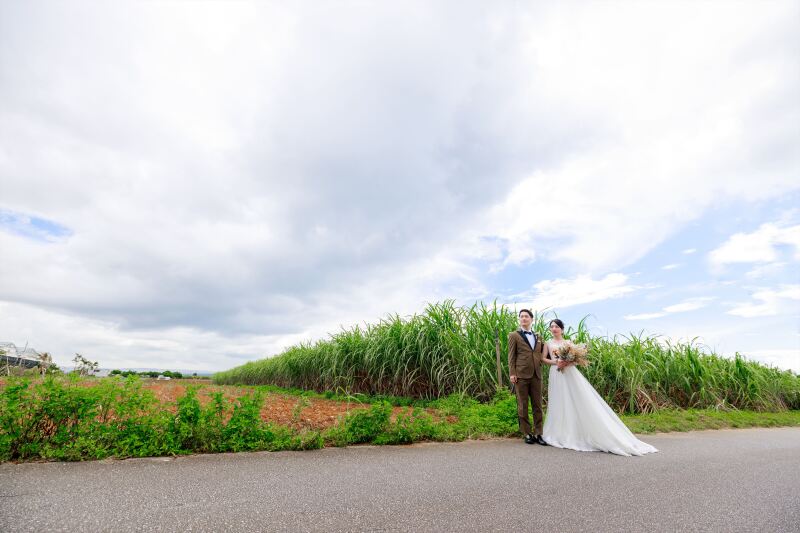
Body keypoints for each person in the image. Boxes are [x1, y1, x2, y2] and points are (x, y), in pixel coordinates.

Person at [542, 319, 658, 456]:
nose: (554, 328)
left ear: (562, 329)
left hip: (569, 374)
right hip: (556, 374)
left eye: (557, 326)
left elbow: (575, 361)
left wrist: (566, 363)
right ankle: (559, 432)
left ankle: (578, 431)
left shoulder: (568, 343)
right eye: (552, 327)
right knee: (558, 401)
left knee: (576, 400)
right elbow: (543, 359)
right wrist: (556, 362)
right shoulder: (547, 343)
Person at [508, 309, 549, 445]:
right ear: (519, 320)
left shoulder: (538, 336)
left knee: (537, 405)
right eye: (521, 317)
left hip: (536, 374)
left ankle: (538, 433)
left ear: (532, 319)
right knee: (523, 405)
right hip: (521, 375)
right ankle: (527, 433)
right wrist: (512, 373)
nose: (524, 318)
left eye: (526, 316)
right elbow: (511, 356)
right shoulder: (514, 335)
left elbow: (544, 354)